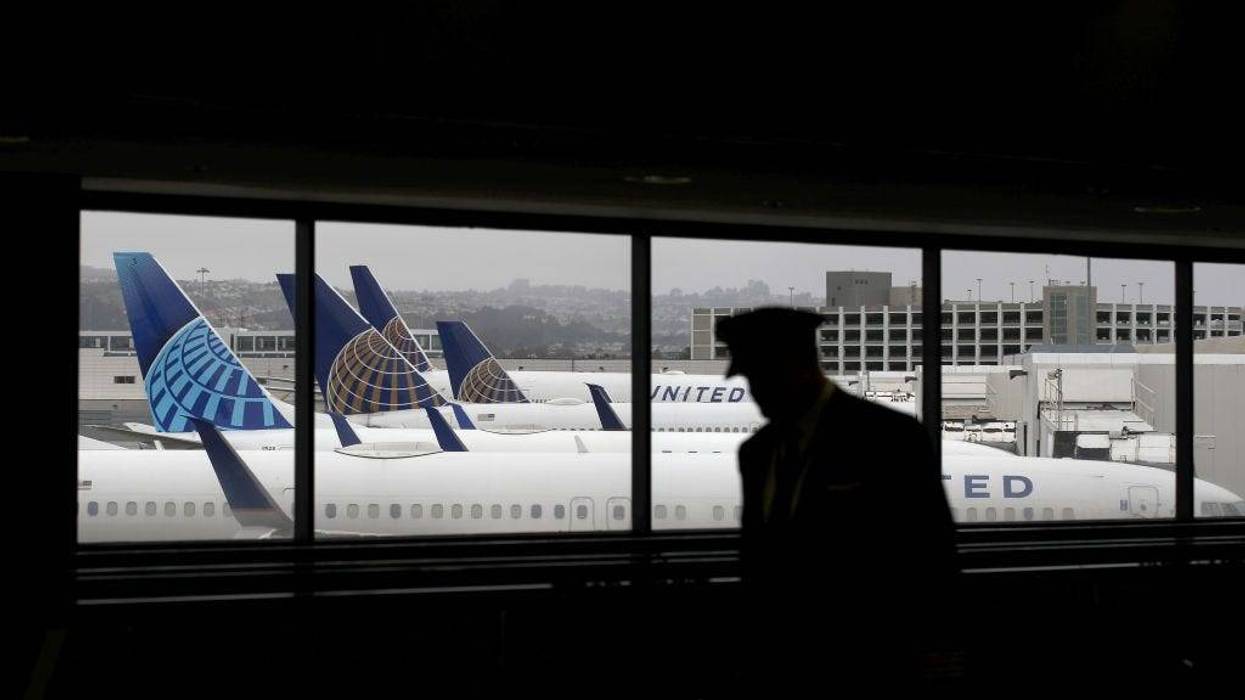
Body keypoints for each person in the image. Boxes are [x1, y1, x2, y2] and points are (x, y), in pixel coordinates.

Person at [716, 307, 957, 689]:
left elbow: (932, 555)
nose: (755, 392)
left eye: (761, 377)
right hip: (780, 662)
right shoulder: (757, 453)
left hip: (869, 659)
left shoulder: (889, 438)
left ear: (797, 367)